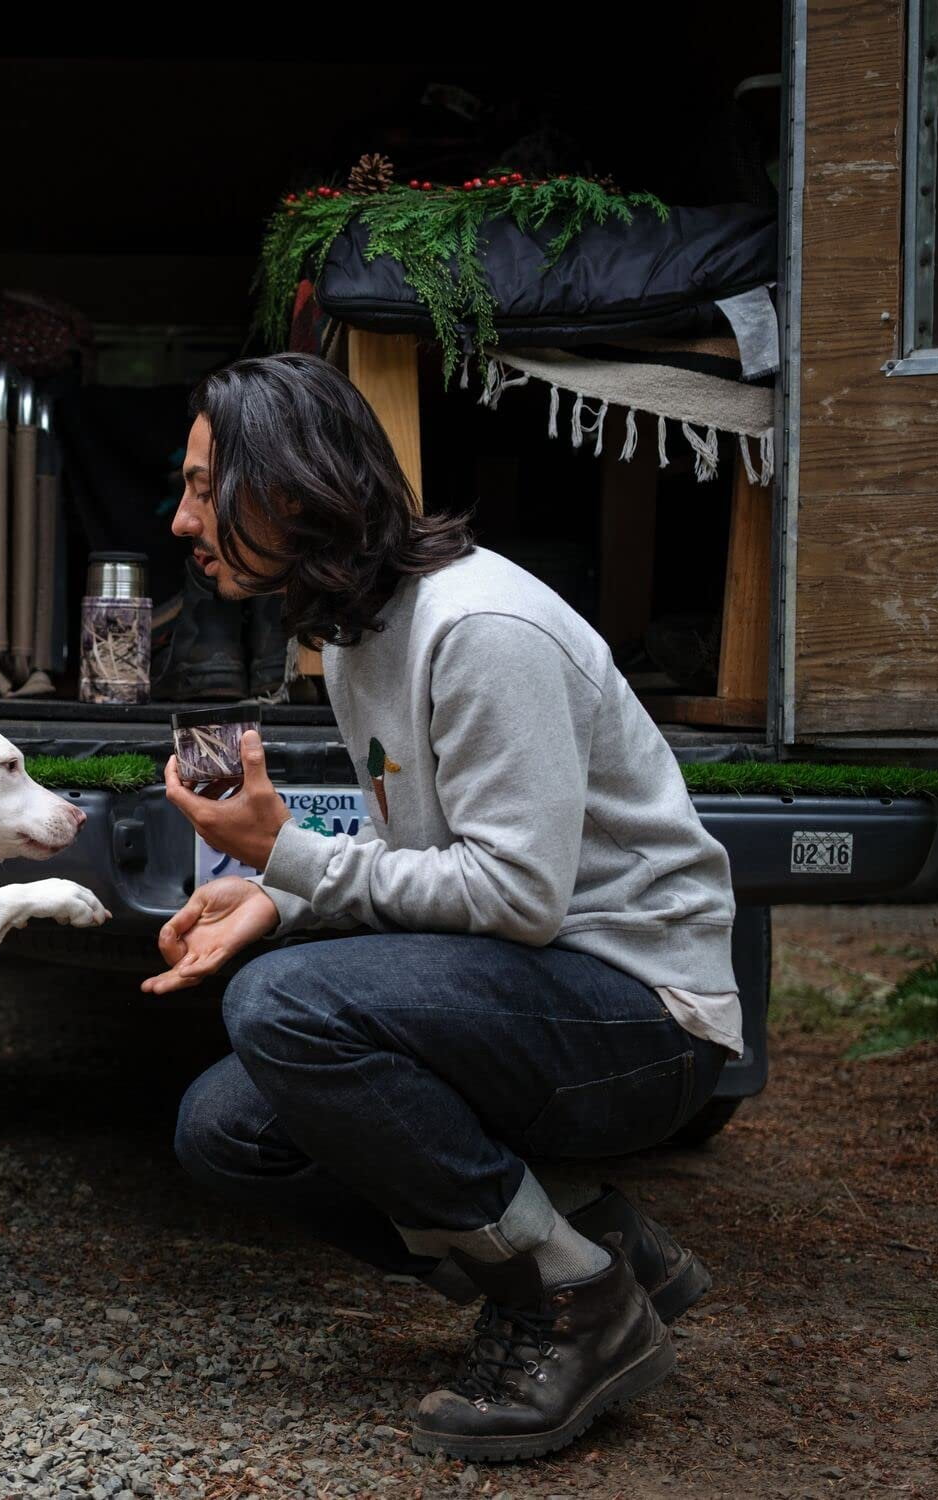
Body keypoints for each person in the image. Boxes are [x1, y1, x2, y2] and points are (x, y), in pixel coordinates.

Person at [151, 353, 742, 1463]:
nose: (183, 517)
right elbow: (419, 849)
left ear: (284, 489)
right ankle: (602, 1242)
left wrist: (287, 855)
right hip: (540, 994)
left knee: (283, 1012)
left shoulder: (477, 628)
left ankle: (570, 1302)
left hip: (644, 1015)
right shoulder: (359, 632)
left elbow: (515, 898)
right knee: (224, 1132)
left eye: (200, 486)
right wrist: (277, 896)